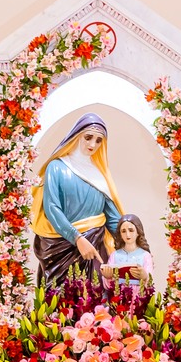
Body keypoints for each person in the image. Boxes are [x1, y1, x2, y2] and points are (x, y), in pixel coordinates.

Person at [32, 113, 125, 287]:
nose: (92, 144)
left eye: (98, 140)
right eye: (88, 137)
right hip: (61, 249)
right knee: (59, 299)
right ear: (76, 135)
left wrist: (135, 247)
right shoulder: (57, 167)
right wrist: (77, 239)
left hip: (95, 248)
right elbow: (52, 207)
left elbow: (113, 220)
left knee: (95, 296)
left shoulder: (99, 175)